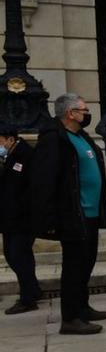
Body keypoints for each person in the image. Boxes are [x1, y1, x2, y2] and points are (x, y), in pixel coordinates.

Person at [31, 94, 106, 335]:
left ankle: (82, 306)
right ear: (70, 113)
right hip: (72, 214)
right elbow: (45, 180)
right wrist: (49, 217)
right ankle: (70, 318)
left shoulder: (80, 136)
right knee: (74, 266)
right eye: (83, 109)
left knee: (86, 263)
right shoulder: (55, 139)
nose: (86, 113)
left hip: (90, 213)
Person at [0, 127, 42, 314]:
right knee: (14, 255)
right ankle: (32, 289)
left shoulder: (25, 155)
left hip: (22, 218)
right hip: (10, 218)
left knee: (18, 255)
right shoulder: (10, 155)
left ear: (10, 139)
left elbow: (27, 188)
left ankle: (27, 298)